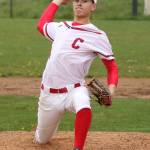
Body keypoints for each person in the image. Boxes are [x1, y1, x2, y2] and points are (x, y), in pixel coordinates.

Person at [34, 0, 118, 149]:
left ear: (93, 6)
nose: (79, 3)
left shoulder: (98, 35)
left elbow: (111, 67)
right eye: (76, 0)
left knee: (84, 103)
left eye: (85, 1)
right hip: (49, 94)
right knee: (42, 140)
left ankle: (78, 147)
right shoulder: (61, 27)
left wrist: (111, 89)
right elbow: (41, 25)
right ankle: (43, 135)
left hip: (75, 88)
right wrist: (57, 1)